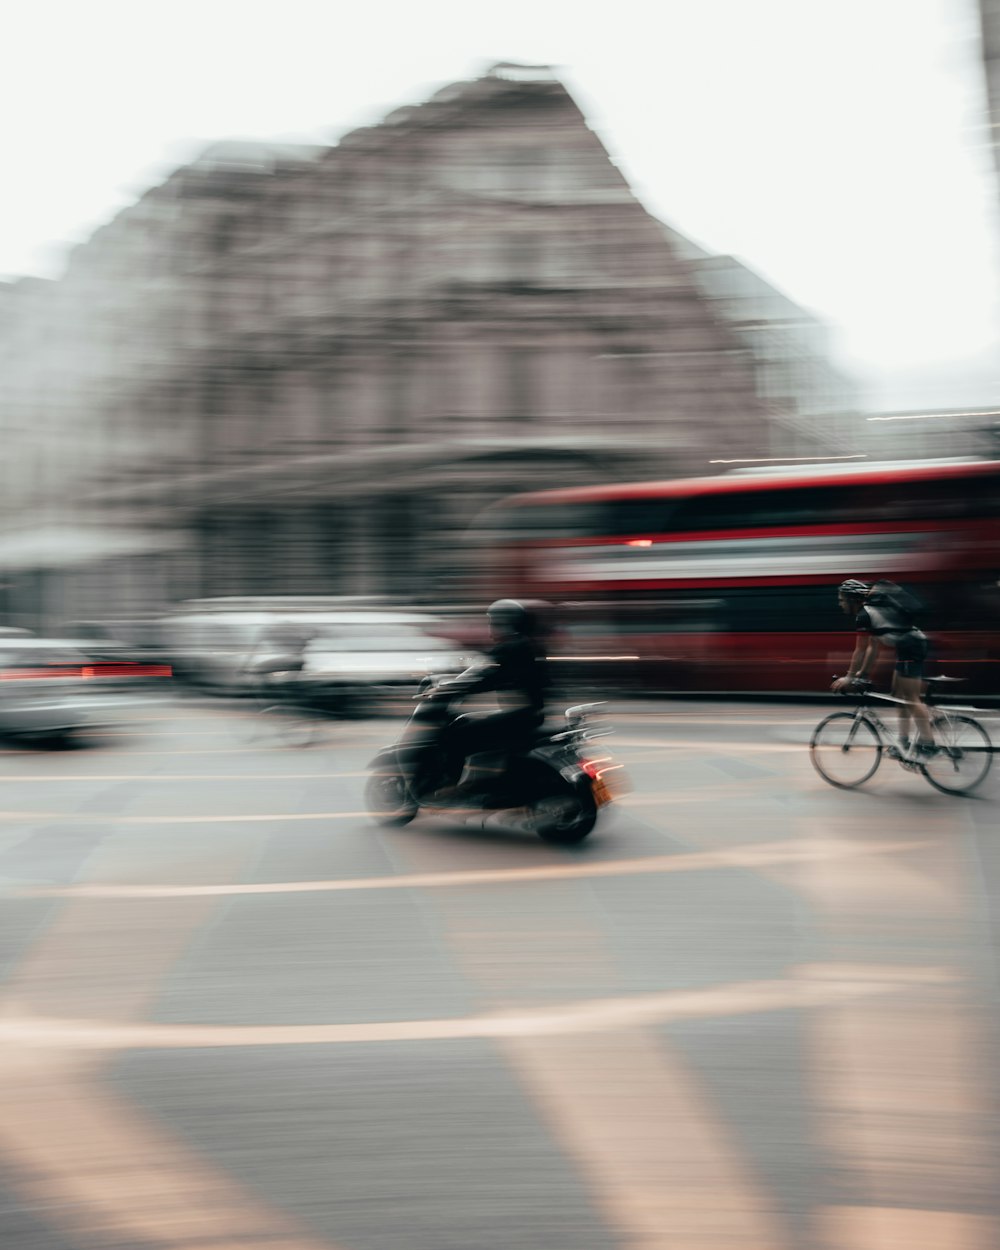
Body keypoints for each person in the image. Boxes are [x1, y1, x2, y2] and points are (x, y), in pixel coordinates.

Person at [434, 598, 552, 804]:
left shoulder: (508, 648)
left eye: (492, 622)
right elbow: (496, 677)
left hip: (518, 718)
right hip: (532, 715)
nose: (489, 627)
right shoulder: (529, 645)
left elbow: (483, 676)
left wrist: (451, 688)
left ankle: (451, 786)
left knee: (456, 734)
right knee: (470, 724)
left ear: (504, 623)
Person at [831, 578, 935, 753]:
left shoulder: (864, 615)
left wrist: (850, 677)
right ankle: (904, 742)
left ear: (851, 599)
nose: (840, 604)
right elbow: (873, 648)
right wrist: (861, 675)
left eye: (842, 600)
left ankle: (929, 744)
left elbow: (861, 650)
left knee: (911, 699)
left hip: (913, 648)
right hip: (907, 649)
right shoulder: (871, 612)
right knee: (898, 696)